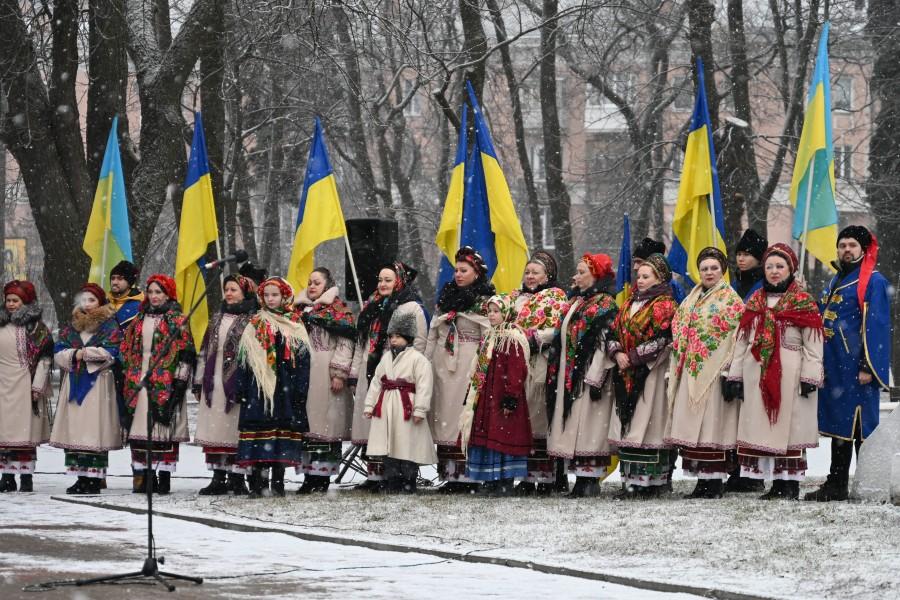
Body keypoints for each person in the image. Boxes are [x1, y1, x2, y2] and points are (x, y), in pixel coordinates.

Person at [726, 244, 823, 500]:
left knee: (789, 429)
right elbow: (742, 342)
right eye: (769, 267)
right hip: (756, 372)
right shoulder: (755, 301)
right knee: (764, 428)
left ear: (791, 269)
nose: (774, 271)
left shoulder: (804, 302)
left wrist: (810, 376)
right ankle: (774, 484)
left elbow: (813, 345)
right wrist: (734, 376)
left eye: (780, 266)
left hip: (791, 374)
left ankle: (788, 484)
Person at [805, 226, 891, 502]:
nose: (846, 250)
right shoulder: (837, 280)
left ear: (863, 249)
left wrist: (868, 364)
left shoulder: (873, 281)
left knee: (862, 428)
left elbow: (876, 324)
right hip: (836, 366)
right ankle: (836, 484)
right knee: (841, 426)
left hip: (856, 367)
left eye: (852, 245)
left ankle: (871, 484)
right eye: (842, 245)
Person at [665, 248, 744, 499]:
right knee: (695, 430)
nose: (708, 273)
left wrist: (731, 369)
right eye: (704, 268)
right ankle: (702, 480)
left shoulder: (731, 300)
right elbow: (679, 326)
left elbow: (737, 337)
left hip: (715, 371)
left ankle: (715, 481)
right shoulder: (692, 297)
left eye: (713, 268)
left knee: (712, 428)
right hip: (690, 369)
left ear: (722, 270)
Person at [546, 254, 619, 498]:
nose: (575, 276)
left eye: (581, 272)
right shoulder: (576, 301)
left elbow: (605, 342)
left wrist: (594, 375)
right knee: (575, 425)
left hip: (590, 374)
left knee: (590, 425)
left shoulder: (605, 304)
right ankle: (580, 479)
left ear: (596, 275)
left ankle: (589, 479)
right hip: (571, 372)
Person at [350, 261, 427, 491]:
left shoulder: (410, 307)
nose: (382, 284)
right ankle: (377, 476)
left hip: (399, 375)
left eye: (388, 280)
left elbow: (420, 340)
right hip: (374, 369)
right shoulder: (372, 305)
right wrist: (356, 372)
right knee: (377, 425)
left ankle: (403, 477)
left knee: (399, 427)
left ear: (399, 281)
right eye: (380, 279)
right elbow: (362, 340)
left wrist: (409, 369)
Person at [608, 253, 678, 498]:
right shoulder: (629, 303)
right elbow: (613, 331)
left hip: (651, 373)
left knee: (649, 425)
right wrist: (617, 353)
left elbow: (664, 338)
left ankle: (653, 481)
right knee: (630, 425)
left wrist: (635, 357)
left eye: (646, 276)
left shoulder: (665, 304)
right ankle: (631, 481)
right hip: (625, 373)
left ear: (659, 278)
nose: (640, 280)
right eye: (639, 276)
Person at [427, 246, 495, 493]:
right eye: (456, 270)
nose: (458, 274)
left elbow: (489, 338)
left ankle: (469, 476)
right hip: (442, 364)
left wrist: (482, 370)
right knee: (443, 417)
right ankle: (450, 474)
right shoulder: (446, 298)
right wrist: (425, 363)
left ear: (476, 273)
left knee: (463, 417)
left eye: (463, 270)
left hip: (468, 364)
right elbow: (433, 333)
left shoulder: (484, 301)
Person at [120, 274, 195, 495]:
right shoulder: (139, 318)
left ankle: (164, 476)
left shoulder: (176, 319)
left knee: (162, 425)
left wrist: (180, 382)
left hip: (165, 380)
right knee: (141, 426)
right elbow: (127, 347)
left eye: (158, 292)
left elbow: (186, 353)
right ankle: (145, 476)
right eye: (151, 292)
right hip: (139, 377)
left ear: (168, 294)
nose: (154, 296)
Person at [236, 277, 310, 497]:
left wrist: (300, 387)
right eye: (266, 295)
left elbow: (304, 360)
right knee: (259, 431)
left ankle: (278, 482)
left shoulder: (295, 323)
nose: (270, 299)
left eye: (275, 295)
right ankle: (257, 482)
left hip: (285, 385)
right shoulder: (255, 323)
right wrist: (242, 387)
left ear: (285, 296)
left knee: (280, 431)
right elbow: (244, 359)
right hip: (258, 388)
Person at [51, 283, 124, 495]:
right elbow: (59, 351)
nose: (87, 304)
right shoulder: (72, 327)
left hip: (98, 384)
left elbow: (113, 352)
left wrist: (87, 354)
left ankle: (94, 478)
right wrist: (75, 355)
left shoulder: (109, 326)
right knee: (76, 431)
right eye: (84, 299)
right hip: (74, 380)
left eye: (92, 300)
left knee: (94, 430)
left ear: (100, 302)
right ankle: (80, 476)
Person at [507, 251, 569, 495]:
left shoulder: (556, 297)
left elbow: (559, 328)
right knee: (523, 419)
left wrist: (534, 338)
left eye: (535, 272)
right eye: (527, 272)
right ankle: (525, 476)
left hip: (541, 361)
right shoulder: (515, 297)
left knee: (540, 416)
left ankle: (548, 476)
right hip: (517, 363)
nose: (530, 276)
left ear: (548, 275)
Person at [191, 273, 258, 496]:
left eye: (233, 290)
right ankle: (218, 476)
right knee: (216, 428)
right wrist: (200, 380)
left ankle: (238, 477)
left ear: (244, 293)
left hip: (238, 381)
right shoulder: (217, 317)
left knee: (234, 429)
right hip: (215, 380)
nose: (228, 294)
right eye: (226, 289)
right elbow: (204, 350)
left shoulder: (253, 319)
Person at [460, 295, 531, 496]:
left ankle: (505, 480)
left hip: (502, 397)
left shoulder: (512, 338)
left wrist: (511, 396)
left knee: (503, 435)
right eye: (489, 311)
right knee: (488, 435)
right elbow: (478, 367)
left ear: (506, 313)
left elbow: (517, 370)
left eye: (496, 311)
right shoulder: (489, 336)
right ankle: (490, 479)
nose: (491, 315)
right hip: (486, 396)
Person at [295, 267, 356, 494]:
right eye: (310, 282)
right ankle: (308, 475)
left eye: (317, 283)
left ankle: (322, 477)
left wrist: (339, 373)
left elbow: (346, 343)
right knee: (308, 425)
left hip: (326, 373)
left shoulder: (337, 310)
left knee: (326, 425)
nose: (312, 286)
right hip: (304, 374)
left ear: (328, 285)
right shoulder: (298, 311)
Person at [363, 311, 436, 494]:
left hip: (406, 407)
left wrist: (420, 409)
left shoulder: (419, 360)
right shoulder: (386, 358)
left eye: (398, 336)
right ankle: (392, 479)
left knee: (407, 444)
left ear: (408, 338)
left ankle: (408, 480)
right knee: (389, 444)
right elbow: (376, 382)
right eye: (391, 336)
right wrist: (370, 405)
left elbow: (424, 385)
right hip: (387, 405)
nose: (393, 340)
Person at [0, 280, 53, 493]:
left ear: (26, 301)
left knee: (24, 433)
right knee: (4, 434)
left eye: (16, 300)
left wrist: (37, 385)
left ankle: (27, 476)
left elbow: (45, 358)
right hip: (2, 384)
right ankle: (7, 476)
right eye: (8, 300)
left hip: (25, 383)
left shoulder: (36, 328)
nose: (11, 304)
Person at [633, 237, 687, 303]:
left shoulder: (672, 289)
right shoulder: (638, 288)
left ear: (653, 263)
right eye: (634, 262)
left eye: (639, 262)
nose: (635, 267)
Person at [731, 229, 767, 302]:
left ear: (758, 259)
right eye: (738, 254)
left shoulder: (768, 285)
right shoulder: (732, 286)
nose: (740, 259)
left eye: (746, 255)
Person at [108, 260, 144, 330]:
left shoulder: (140, 308)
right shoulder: (103, 303)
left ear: (129, 283)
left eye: (120, 278)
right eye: (113, 278)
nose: (115, 282)